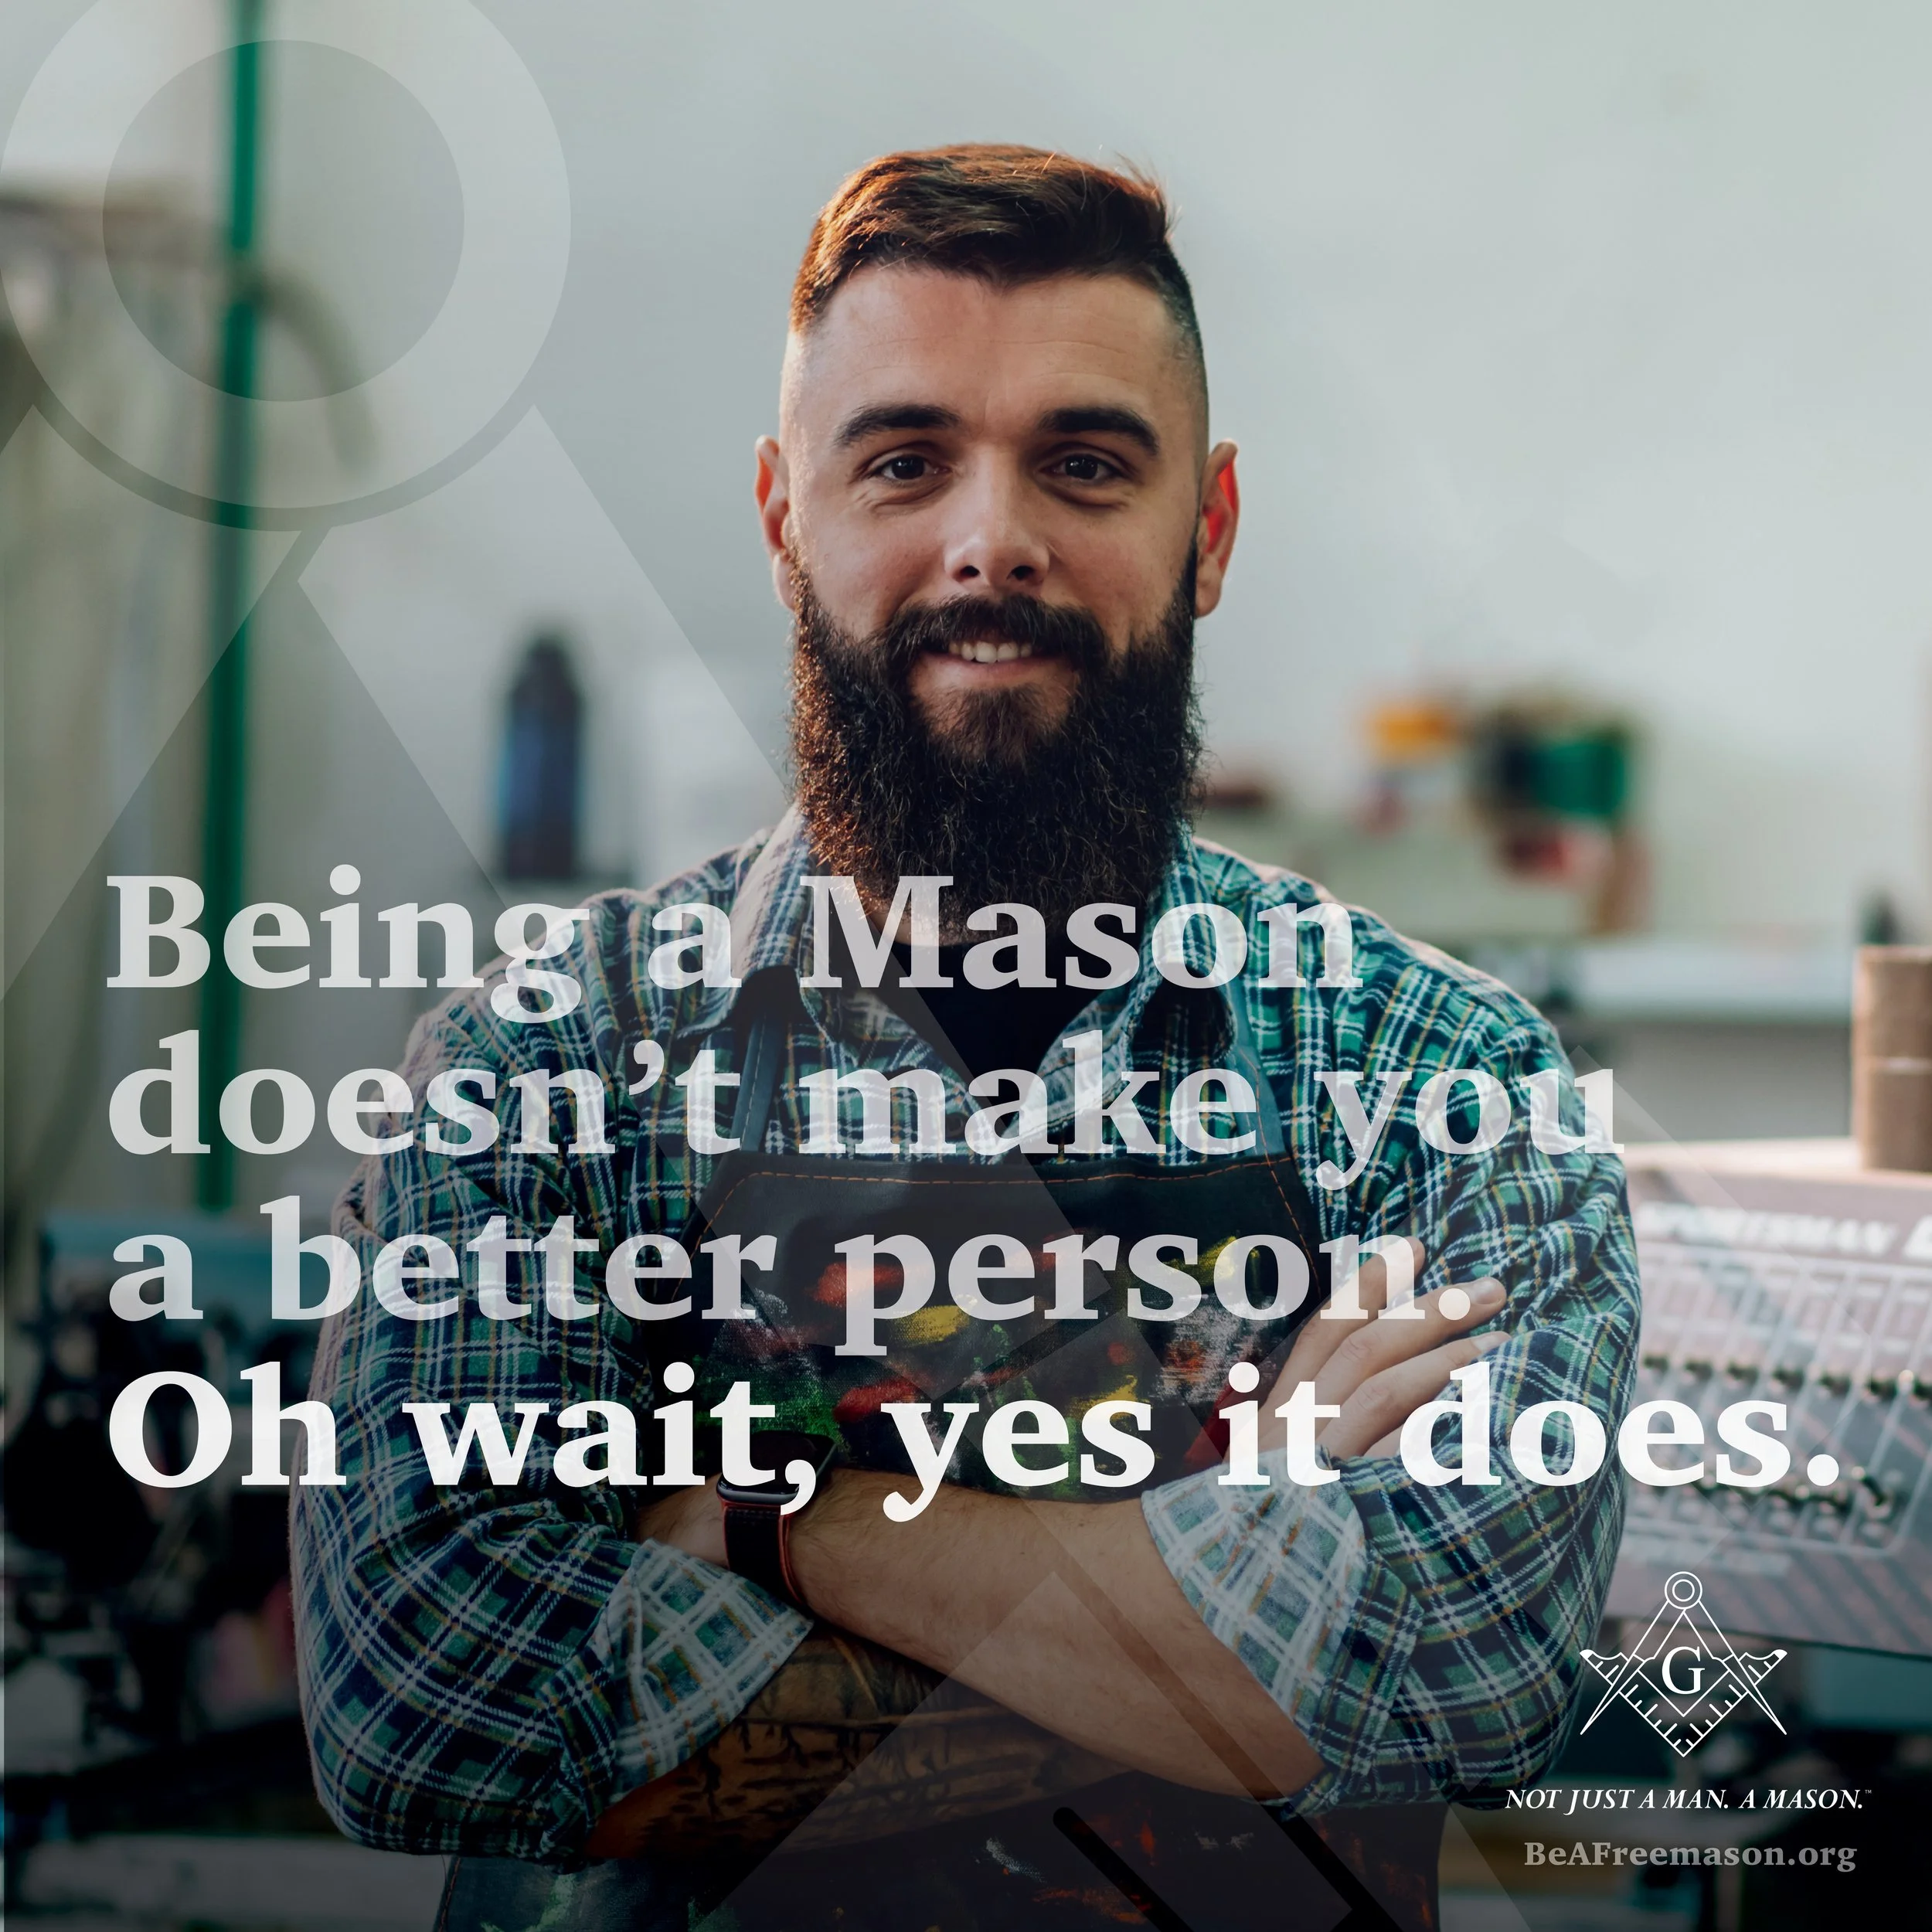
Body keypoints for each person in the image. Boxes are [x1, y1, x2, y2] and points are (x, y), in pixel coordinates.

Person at [291, 145, 1638, 1931]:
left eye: (1083, 463)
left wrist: (762, 1522)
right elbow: (429, 1703)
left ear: (1208, 530)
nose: (992, 537)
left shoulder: (1438, 1073)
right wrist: (1233, 1535)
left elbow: (1468, 1666)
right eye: (905, 459)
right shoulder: (545, 1070)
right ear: (786, 515)